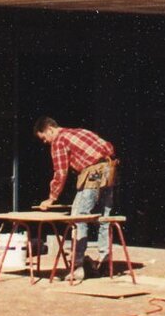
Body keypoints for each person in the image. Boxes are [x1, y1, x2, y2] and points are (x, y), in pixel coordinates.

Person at [34, 116, 116, 280]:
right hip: (110, 169)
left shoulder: (59, 141)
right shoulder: (80, 131)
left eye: (44, 138)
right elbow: (109, 147)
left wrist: (52, 197)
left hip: (94, 173)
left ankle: (77, 267)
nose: (45, 142)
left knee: (78, 217)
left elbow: (61, 171)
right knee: (104, 218)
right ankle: (105, 262)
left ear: (50, 129)